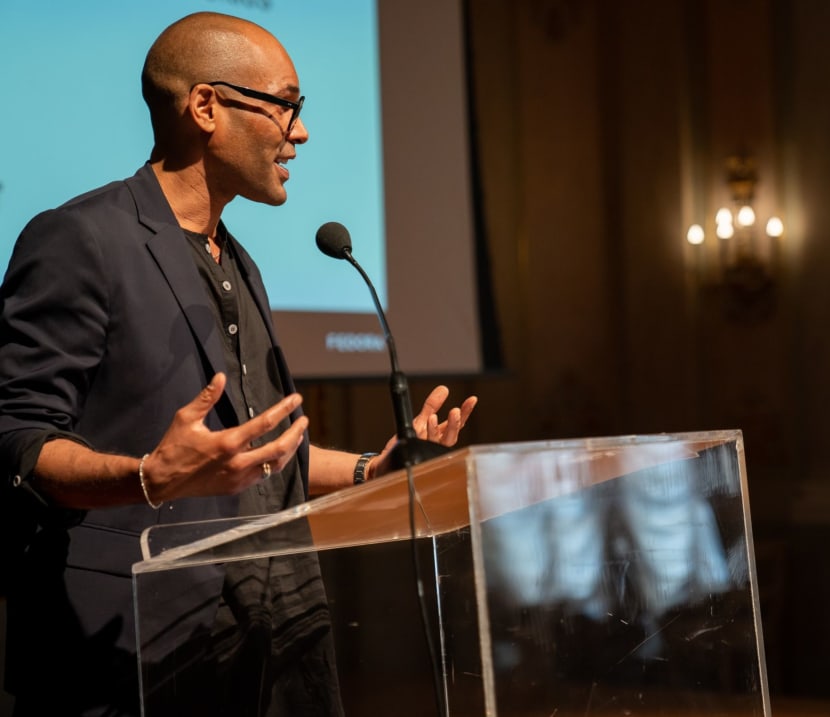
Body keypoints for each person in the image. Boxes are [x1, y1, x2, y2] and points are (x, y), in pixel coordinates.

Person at [0, 11, 477, 717]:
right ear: (206, 106)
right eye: (288, 104)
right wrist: (147, 477)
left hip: (263, 640)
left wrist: (366, 472)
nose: (301, 131)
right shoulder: (80, 239)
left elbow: (253, 453)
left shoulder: (239, 261)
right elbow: (17, 439)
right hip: (123, 653)